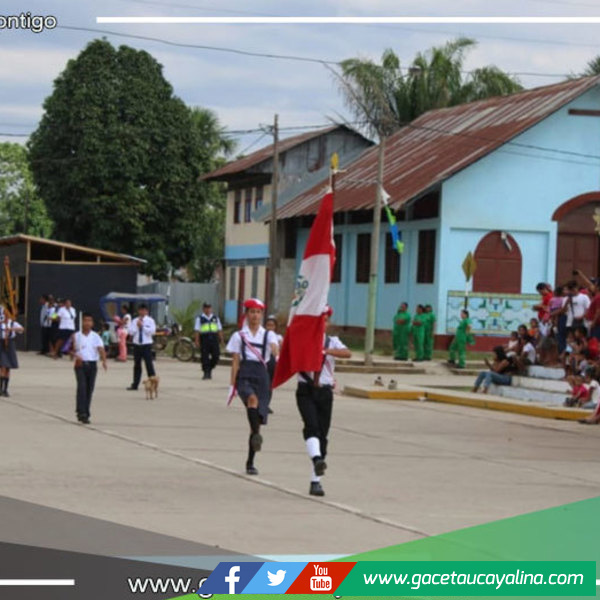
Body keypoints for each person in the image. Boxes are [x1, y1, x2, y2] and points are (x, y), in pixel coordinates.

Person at [296, 306, 351, 497]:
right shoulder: (303, 341)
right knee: (311, 427)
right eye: (320, 320)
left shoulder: (332, 341)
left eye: (325, 320)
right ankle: (317, 458)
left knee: (323, 435)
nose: (323, 323)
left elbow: (347, 353)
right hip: (306, 390)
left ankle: (315, 480)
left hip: (325, 392)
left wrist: (326, 351)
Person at [226, 298, 278, 476]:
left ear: (262, 315)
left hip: (262, 377)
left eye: (258, 312)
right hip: (245, 375)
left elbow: (275, 350)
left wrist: (276, 351)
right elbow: (235, 361)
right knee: (252, 400)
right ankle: (256, 434)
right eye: (252, 312)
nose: (255, 316)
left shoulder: (268, 335)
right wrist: (232, 385)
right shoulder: (239, 336)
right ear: (246, 314)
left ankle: (250, 460)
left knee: (255, 420)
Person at [70, 312, 107, 424]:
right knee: (82, 387)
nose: (87, 323)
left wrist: (104, 361)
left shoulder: (95, 336)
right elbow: (69, 351)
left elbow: (101, 349)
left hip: (92, 364)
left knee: (89, 389)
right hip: (80, 365)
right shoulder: (76, 336)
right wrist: (74, 354)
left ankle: (85, 411)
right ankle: (82, 412)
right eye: (85, 320)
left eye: (89, 321)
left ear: (92, 323)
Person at [127, 304, 157, 391]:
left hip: (146, 345)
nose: (142, 312)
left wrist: (143, 326)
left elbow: (152, 332)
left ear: (147, 311)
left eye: (144, 310)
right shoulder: (134, 320)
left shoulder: (150, 321)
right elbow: (131, 332)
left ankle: (153, 383)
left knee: (149, 364)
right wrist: (137, 326)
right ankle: (135, 384)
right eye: (140, 310)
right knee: (137, 365)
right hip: (137, 344)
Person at [194, 302, 223, 380]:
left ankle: (210, 367)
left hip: (214, 339)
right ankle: (206, 372)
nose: (208, 310)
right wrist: (197, 341)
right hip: (204, 339)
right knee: (204, 357)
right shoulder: (200, 318)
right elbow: (197, 330)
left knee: (216, 356)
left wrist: (221, 339)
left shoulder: (215, 318)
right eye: (206, 308)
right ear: (203, 309)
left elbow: (219, 329)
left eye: (209, 308)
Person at [0, 312, 24, 397]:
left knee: (8, 368)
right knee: (3, 366)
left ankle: (5, 389)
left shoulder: (13, 323)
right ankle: (0, 388)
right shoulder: (1, 323)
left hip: (9, 344)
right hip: (1, 344)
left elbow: (21, 329)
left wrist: (11, 329)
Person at [265, 315, 283, 414]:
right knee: (264, 383)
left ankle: (266, 404)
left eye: (272, 325)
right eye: (268, 325)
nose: (270, 327)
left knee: (270, 384)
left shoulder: (278, 337)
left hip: (273, 361)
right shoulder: (262, 335)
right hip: (264, 361)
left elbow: (281, 348)